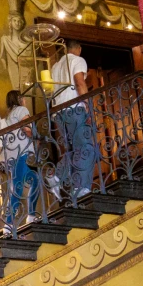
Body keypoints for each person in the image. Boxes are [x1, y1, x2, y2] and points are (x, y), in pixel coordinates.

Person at [47, 40, 94, 199]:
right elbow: (79, 82)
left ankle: (57, 176)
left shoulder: (55, 67)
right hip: (74, 109)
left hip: (59, 112)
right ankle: (81, 187)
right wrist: (87, 105)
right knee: (86, 147)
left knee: (72, 149)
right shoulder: (77, 60)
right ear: (79, 48)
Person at [0, 89, 35, 228]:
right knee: (18, 185)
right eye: (23, 97)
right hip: (21, 152)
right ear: (19, 99)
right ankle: (9, 222)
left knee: (31, 180)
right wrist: (36, 136)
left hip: (10, 155)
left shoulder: (8, 116)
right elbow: (27, 128)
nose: (25, 100)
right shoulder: (22, 110)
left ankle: (31, 215)